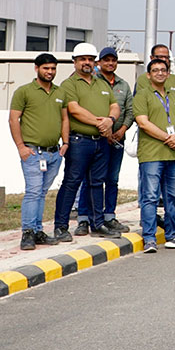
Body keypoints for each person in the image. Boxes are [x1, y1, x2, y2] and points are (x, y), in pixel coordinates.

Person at [53, 43, 118, 242]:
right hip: (79, 141)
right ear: (74, 62)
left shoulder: (102, 83)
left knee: (97, 183)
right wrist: (101, 124)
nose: (87, 63)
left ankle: (97, 223)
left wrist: (111, 120)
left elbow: (114, 106)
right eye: (82, 59)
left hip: (100, 142)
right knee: (72, 183)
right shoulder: (69, 84)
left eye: (90, 59)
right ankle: (61, 226)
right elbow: (74, 109)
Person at [134, 58, 175, 251]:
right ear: (149, 75)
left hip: (173, 154)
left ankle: (173, 234)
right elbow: (143, 122)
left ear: (168, 74)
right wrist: (168, 137)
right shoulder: (142, 95)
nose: (159, 73)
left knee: (172, 196)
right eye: (155, 70)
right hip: (152, 154)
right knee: (150, 196)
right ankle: (149, 237)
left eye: (163, 70)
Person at [9, 53, 65, 250]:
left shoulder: (60, 92)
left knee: (41, 193)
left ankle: (38, 230)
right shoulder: (24, 91)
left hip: (54, 153)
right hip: (33, 153)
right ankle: (28, 233)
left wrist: (65, 144)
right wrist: (21, 147)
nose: (50, 72)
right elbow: (13, 119)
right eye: (46, 68)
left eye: (53, 69)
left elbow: (65, 119)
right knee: (33, 192)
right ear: (36, 68)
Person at [85, 46, 131, 234]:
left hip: (118, 139)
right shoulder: (93, 83)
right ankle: (86, 218)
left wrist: (121, 130)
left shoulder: (123, 85)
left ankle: (109, 216)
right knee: (92, 180)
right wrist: (105, 131)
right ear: (99, 62)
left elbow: (130, 110)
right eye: (106, 60)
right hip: (98, 139)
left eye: (113, 60)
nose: (110, 63)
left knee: (112, 179)